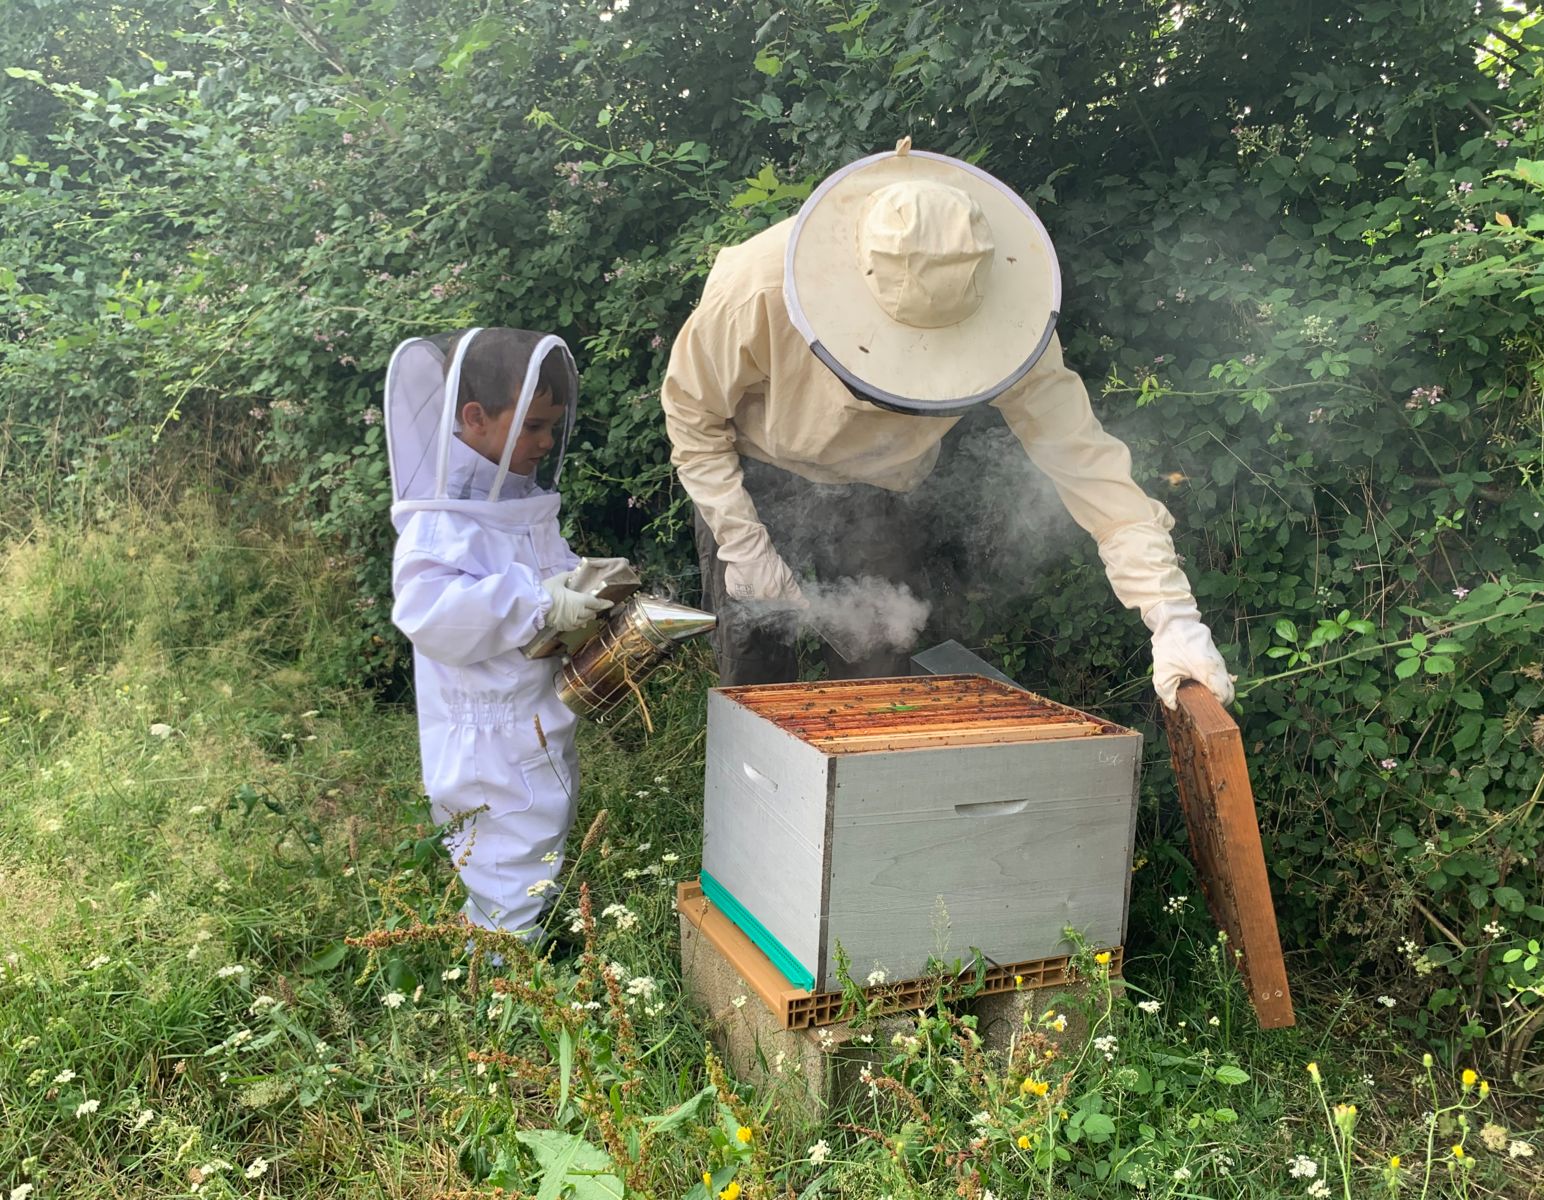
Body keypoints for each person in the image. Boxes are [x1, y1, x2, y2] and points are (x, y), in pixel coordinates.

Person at [660, 139, 1233, 708]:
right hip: (754, 474)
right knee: (755, 665)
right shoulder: (756, 291)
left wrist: (1171, 614)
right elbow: (692, 416)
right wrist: (743, 542)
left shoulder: (1013, 322)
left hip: (879, 487)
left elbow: (1087, 464)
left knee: (881, 671)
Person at [384, 327, 612, 936]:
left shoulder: (513, 501)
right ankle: (505, 970)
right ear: (475, 417)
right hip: (483, 723)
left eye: (551, 429)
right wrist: (541, 602)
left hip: (531, 709)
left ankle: (523, 939)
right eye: (532, 426)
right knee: (501, 847)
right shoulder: (440, 520)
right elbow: (430, 614)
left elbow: (544, 575)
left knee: (538, 826)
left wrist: (587, 585)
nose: (544, 442)